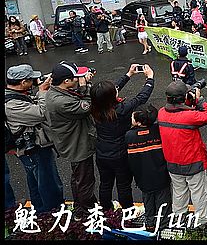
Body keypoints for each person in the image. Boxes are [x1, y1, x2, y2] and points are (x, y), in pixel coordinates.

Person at [89, 63, 154, 212]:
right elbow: (141, 97)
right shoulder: (121, 109)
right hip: (120, 154)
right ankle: (127, 211)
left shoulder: (95, 106)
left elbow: (109, 92)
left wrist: (128, 74)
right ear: (112, 97)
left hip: (102, 153)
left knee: (105, 183)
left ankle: (106, 209)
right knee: (123, 185)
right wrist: (150, 78)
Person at [5, 64, 64, 214]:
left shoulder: (15, 93)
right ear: (23, 82)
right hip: (33, 149)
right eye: (31, 79)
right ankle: (52, 211)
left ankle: (40, 210)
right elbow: (42, 112)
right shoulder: (11, 104)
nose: (34, 81)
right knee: (48, 181)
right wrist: (42, 91)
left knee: (35, 179)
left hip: (32, 149)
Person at [45, 61, 96, 220]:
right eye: (76, 77)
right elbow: (86, 107)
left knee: (78, 178)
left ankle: (80, 208)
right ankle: (89, 211)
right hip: (76, 144)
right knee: (85, 180)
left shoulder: (58, 91)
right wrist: (86, 87)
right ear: (66, 81)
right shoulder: (60, 101)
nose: (78, 79)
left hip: (72, 141)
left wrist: (82, 85)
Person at [158, 80, 207, 223]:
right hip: (193, 162)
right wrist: (199, 100)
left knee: (179, 192)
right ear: (184, 98)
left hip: (172, 162)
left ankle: (179, 218)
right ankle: (202, 220)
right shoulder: (190, 117)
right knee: (198, 192)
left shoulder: (161, 113)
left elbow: (179, 112)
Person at [126, 106, 172, 232]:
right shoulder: (158, 130)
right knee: (164, 204)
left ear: (139, 122)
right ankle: (163, 227)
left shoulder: (130, 136)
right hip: (161, 176)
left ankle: (150, 226)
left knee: (148, 204)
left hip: (143, 179)